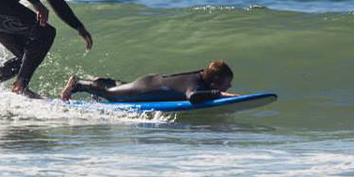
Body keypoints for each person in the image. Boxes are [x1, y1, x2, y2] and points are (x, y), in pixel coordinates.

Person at [61, 60, 238, 104]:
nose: (229, 86)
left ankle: (99, 81)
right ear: (214, 83)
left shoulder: (199, 76)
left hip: (149, 82)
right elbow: (193, 97)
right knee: (112, 95)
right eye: (226, 83)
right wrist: (220, 94)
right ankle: (78, 84)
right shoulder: (196, 85)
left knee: (120, 86)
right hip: (144, 89)